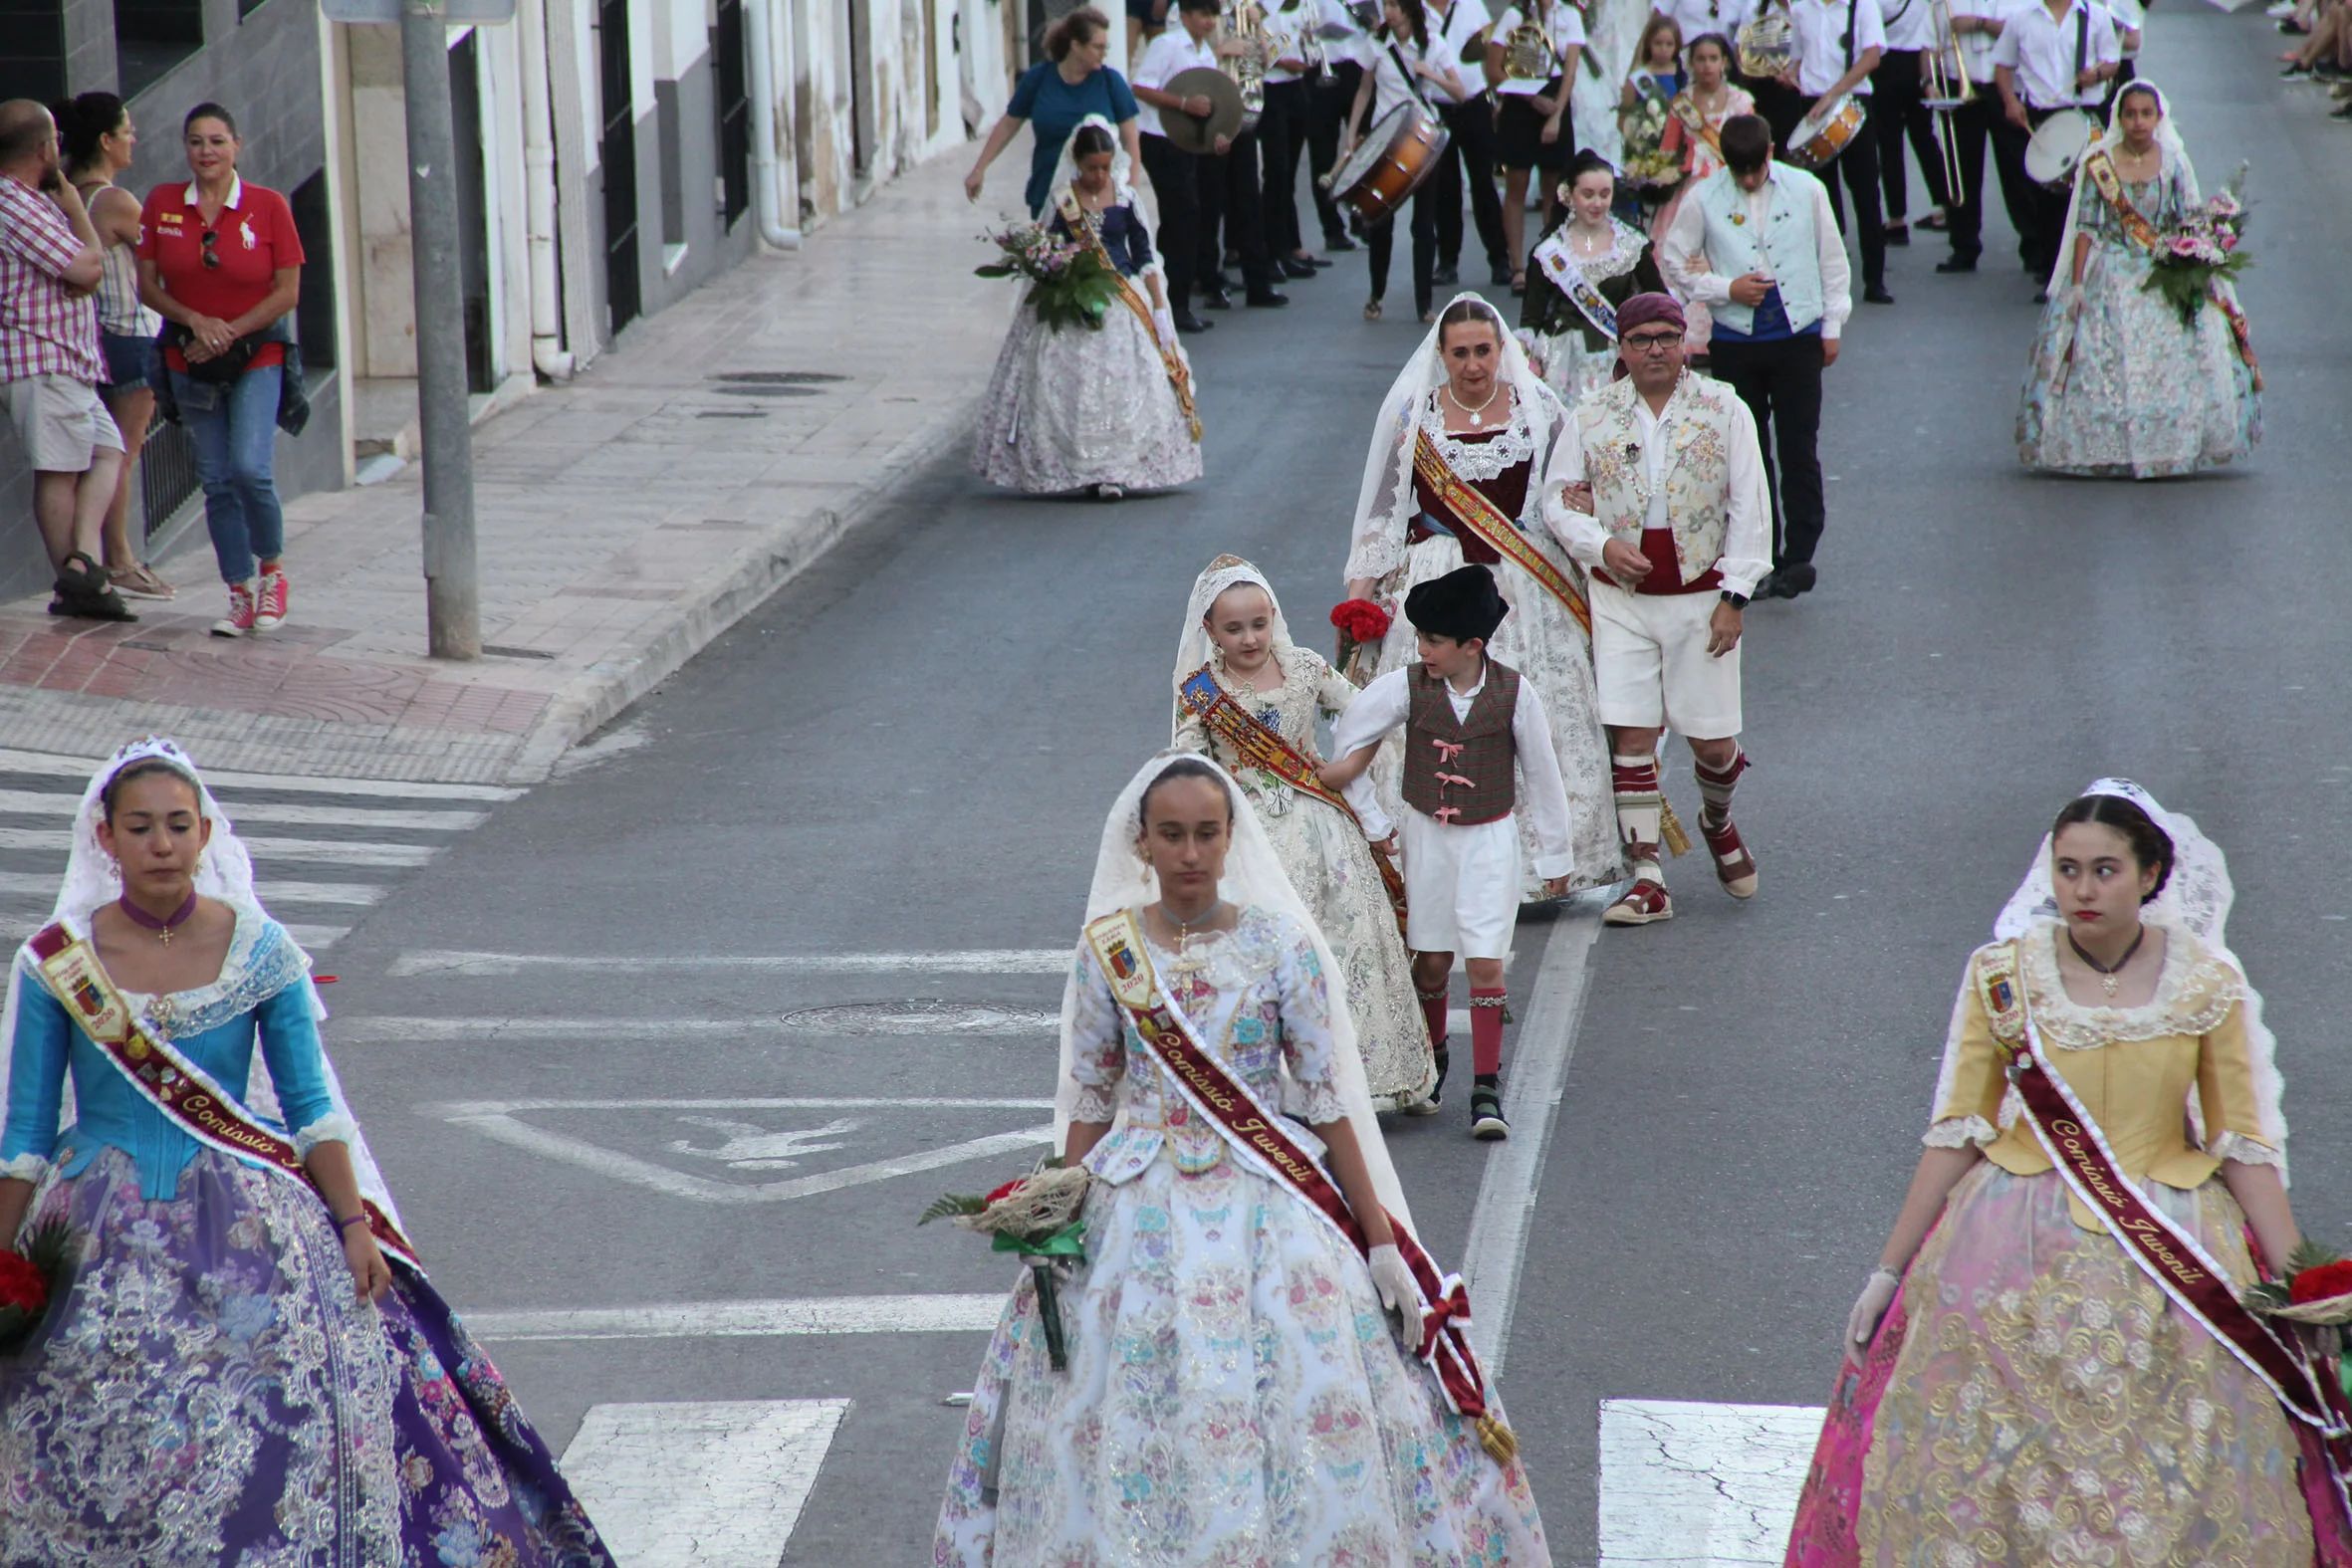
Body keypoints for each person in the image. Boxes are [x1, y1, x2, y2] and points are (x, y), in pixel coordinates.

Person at [0, 739, 614, 1563]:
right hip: (93, 1231)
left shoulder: (262, 949)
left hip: (252, 1223)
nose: (161, 844)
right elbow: (26, 1137)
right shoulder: (55, 962)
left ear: (206, 833)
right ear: (104, 838)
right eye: (140, 827)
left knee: (276, 1414)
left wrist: (355, 1224)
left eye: (178, 825)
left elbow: (310, 1109)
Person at [933, 752, 1551, 1564]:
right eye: (1172, 835)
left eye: (1206, 834)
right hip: (1134, 1194)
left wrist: (1379, 1237)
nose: (1190, 853)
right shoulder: (1107, 949)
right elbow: (1089, 1093)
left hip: (1270, 1193)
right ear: (1142, 844)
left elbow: (1329, 1101)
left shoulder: (1280, 945)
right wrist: (1054, 1212)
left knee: (1296, 1389)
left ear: (1231, 840)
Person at [1784, 782, 2352, 1565]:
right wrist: (1888, 1268)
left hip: (2174, 1254)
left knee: (2187, 1461)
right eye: (2069, 869)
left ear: (2152, 874)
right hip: (2009, 1249)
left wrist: (2306, 1286)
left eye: (2106, 869)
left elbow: (2243, 1148)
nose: (2083, 889)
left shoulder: (2207, 984)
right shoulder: (2001, 978)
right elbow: (1958, 1132)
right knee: (1991, 1463)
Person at [1340, 293, 1624, 903]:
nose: (1473, 364)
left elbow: (1569, 496)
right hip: (1438, 576)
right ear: (1441, 356)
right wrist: (1359, 597)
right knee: (1428, 720)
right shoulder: (1415, 416)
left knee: (1535, 719)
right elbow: (1383, 517)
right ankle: (1425, 861)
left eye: (1483, 351)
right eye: (1460, 353)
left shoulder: (1538, 407)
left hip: (1523, 580)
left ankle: (1543, 862)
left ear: (1503, 349)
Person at [1323, 566, 1577, 1140]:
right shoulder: (1405, 686)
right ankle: (1434, 1059)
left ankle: (1485, 1089)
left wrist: (1556, 859)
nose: (1422, 650)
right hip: (1425, 838)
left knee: (1486, 961)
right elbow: (1350, 740)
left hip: (1489, 838)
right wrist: (1373, 819)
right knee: (1433, 960)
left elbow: (1542, 774)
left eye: (1434, 641)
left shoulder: (1515, 692)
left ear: (1473, 646)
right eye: (1420, 639)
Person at [1170, 557, 1432, 1110]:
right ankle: (1265, 1089)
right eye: (1234, 628)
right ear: (1210, 632)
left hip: (1321, 828)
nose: (1249, 638)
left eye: (1258, 624)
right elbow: (1188, 764)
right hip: (1245, 837)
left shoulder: (1307, 669)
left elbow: (1369, 713)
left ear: (1274, 617)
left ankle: (1365, 1080)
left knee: (1347, 942)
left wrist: (1347, 767)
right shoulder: (1200, 690)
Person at [1543, 293, 1768, 926]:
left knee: (1715, 743)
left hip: (1702, 598)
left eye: (1665, 337)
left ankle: (1717, 820)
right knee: (1632, 734)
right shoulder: (1591, 413)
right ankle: (1647, 876)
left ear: (1685, 342)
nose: (1654, 350)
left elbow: (1751, 505)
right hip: (1622, 599)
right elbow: (1557, 500)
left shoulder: (1724, 408)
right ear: (1621, 348)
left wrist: (1735, 595)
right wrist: (1602, 543)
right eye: (1640, 339)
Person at [2016, 83, 2260, 479]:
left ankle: (2167, 442)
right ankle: (2106, 444)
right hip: (2110, 270)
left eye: (2146, 114)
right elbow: (2087, 227)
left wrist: (2198, 255)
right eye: (2130, 114)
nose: (2138, 122)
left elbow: (2187, 219)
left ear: (2158, 118)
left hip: (2162, 269)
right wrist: (2077, 284)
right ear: (2120, 117)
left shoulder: (2174, 163)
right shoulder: (2100, 162)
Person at [1660, 113, 1850, 600]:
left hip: (1797, 337)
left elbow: (1832, 259)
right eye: (1738, 170)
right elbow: (1674, 259)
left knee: (1798, 448)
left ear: (1769, 154)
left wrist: (1832, 326)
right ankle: (1760, 556)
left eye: (1754, 168)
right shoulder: (1703, 196)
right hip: (1736, 342)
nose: (1747, 179)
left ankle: (1800, 555)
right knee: (1747, 455)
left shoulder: (1806, 189)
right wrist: (1724, 288)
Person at [135, 104, 307, 639]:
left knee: (249, 468)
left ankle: (272, 574)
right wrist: (194, 322)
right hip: (188, 357)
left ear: (237, 145)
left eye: (216, 141)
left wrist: (226, 332)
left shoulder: (268, 206)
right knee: (215, 480)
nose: (206, 152)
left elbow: (287, 292)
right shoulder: (162, 204)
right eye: (195, 142)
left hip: (257, 353)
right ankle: (237, 593)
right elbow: (148, 285)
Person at [972, 118, 1203, 500]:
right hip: (1073, 300)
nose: (1099, 176)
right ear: (1076, 162)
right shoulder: (1063, 201)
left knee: (1123, 384)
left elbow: (1143, 256)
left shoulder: (1126, 198)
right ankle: (1071, 467)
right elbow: (1049, 247)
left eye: (1105, 168)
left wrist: (1160, 309)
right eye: (1092, 168)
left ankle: (1116, 469)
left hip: (1122, 302)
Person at [0, 101, 135, 624]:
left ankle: (82, 565)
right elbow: (87, 269)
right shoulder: (13, 205)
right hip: (42, 359)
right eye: (55, 139)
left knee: (107, 452)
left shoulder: (34, 200)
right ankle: (79, 581)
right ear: (43, 148)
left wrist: (73, 208)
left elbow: (87, 266)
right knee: (59, 472)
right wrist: (78, 214)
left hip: (68, 362)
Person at [53, 94, 173, 604]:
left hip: (91, 339)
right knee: (121, 454)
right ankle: (119, 559)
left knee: (95, 457)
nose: (133, 138)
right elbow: (167, 260)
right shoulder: (113, 201)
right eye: (126, 130)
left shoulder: (65, 196)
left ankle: (97, 558)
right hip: (129, 336)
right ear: (105, 141)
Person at [1341, 0, 1469, 323]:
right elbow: (1364, 89)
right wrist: (1352, 134)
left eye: (1395, 5)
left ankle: (1423, 303)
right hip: (1385, 140)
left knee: (1424, 225)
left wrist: (1432, 76)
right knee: (1379, 221)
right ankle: (1376, 295)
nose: (1388, 10)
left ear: (1409, 8)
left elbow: (1460, 92)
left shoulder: (1433, 44)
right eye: (1386, 4)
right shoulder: (1377, 44)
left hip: (1423, 141)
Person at [1992, 0, 2120, 298]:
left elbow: (2111, 61)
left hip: (2086, 112)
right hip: (2045, 115)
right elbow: (2002, 66)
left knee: (2094, 193)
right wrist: (2011, 102)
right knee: (2049, 200)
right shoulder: (2021, 18)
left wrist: (2096, 75)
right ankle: (2053, 277)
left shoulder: (2095, 16)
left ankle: (2091, 272)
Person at [965, 9, 1143, 220]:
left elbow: (1131, 139)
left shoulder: (1111, 82)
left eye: (1106, 47)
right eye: (1098, 47)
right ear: (1076, 46)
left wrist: (1130, 190)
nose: (1104, 53)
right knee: (1057, 250)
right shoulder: (1038, 78)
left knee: (1094, 250)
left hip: (1100, 195)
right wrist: (980, 168)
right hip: (1051, 190)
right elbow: (1008, 124)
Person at [1523, 151, 1667, 405]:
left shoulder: (1631, 245)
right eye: (1588, 194)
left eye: (1605, 194)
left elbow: (1659, 303)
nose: (1597, 203)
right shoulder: (1548, 252)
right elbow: (1530, 319)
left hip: (1618, 359)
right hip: (1562, 362)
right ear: (1569, 195)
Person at [1780, 0, 1896, 305]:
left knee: (1866, 193)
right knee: (1819, 196)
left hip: (1852, 103)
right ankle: (1824, 279)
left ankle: (1875, 280)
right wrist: (1789, 73)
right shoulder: (1802, 8)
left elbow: (1872, 58)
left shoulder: (1862, 6)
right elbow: (1797, 59)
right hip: (1813, 105)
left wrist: (1833, 94)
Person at [1134, 0, 1238, 331]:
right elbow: (1140, 86)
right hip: (1158, 138)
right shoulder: (1166, 44)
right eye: (1204, 14)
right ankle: (1173, 306)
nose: (1210, 22)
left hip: (1186, 143)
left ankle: (1169, 301)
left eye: (1213, 15)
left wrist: (1218, 136)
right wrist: (1181, 103)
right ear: (1187, 15)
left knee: (1184, 219)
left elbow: (1209, 104)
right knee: (1184, 215)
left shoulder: (1204, 52)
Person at [1654, 33, 1757, 365]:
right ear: (1691, 63)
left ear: (1725, 62)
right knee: (1681, 256)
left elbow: (1754, 144)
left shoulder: (1741, 102)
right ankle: (1686, 335)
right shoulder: (1682, 103)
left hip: (1731, 189)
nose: (1708, 65)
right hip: (1691, 192)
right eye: (1701, 59)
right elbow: (1667, 151)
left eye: (1714, 58)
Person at [1485, 0, 1588, 292]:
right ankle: (1518, 266)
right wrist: (1529, 96)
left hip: (1555, 98)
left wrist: (1556, 115)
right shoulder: (1513, 15)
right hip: (1520, 100)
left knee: (1554, 189)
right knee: (1516, 183)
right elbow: (1493, 69)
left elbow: (1570, 70)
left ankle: (1550, 264)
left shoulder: (1569, 14)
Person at [1193, 0, 1289, 311]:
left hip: (1244, 116)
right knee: (1210, 204)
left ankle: (1257, 283)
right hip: (1211, 117)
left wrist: (1258, 26)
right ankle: (1210, 282)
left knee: (1249, 201)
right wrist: (1219, 51)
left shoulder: (1248, 9)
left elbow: (1271, 59)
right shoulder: (1200, 11)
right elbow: (1184, 63)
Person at [1933, 0, 2036, 276]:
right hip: (1961, 83)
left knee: (2017, 169)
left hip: (2006, 88)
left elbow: (2028, 33)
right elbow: (1931, 41)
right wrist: (1928, 81)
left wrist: (1979, 24)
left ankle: (2034, 246)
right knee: (1962, 169)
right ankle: (1963, 246)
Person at [1426, 0, 1513, 287]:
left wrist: (1498, 96)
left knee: (1484, 182)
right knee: (1445, 187)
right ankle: (1447, 261)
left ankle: (1500, 259)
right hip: (1436, 105)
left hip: (1474, 103)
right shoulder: (1417, 9)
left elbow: (1490, 48)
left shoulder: (1471, 5)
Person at [1259, 0, 1334, 278]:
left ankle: (1291, 246)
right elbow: (1257, 46)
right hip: (1271, 86)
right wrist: (1281, 60)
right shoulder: (1259, 6)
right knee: (1276, 172)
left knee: (1288, 172)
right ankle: (1273, 251)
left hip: (1295, 87)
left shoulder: (1296, 5)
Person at [1870, 0, 1945, 247]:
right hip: (1920, 60)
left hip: (1887, 61)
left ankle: (1897, 218)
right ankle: (1945, 204)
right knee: (1924, 137)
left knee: (1890, 143)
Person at [1618, 16, 1689, 224]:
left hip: (1673, 149)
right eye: (1658, 43)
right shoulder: (1638, 77)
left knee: (1669, 205)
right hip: (1643, 151)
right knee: (1638, 205)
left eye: (1669, 44)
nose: (1663, 49)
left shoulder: (1682, 76)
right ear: (1648, 44)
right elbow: (1623, 117)